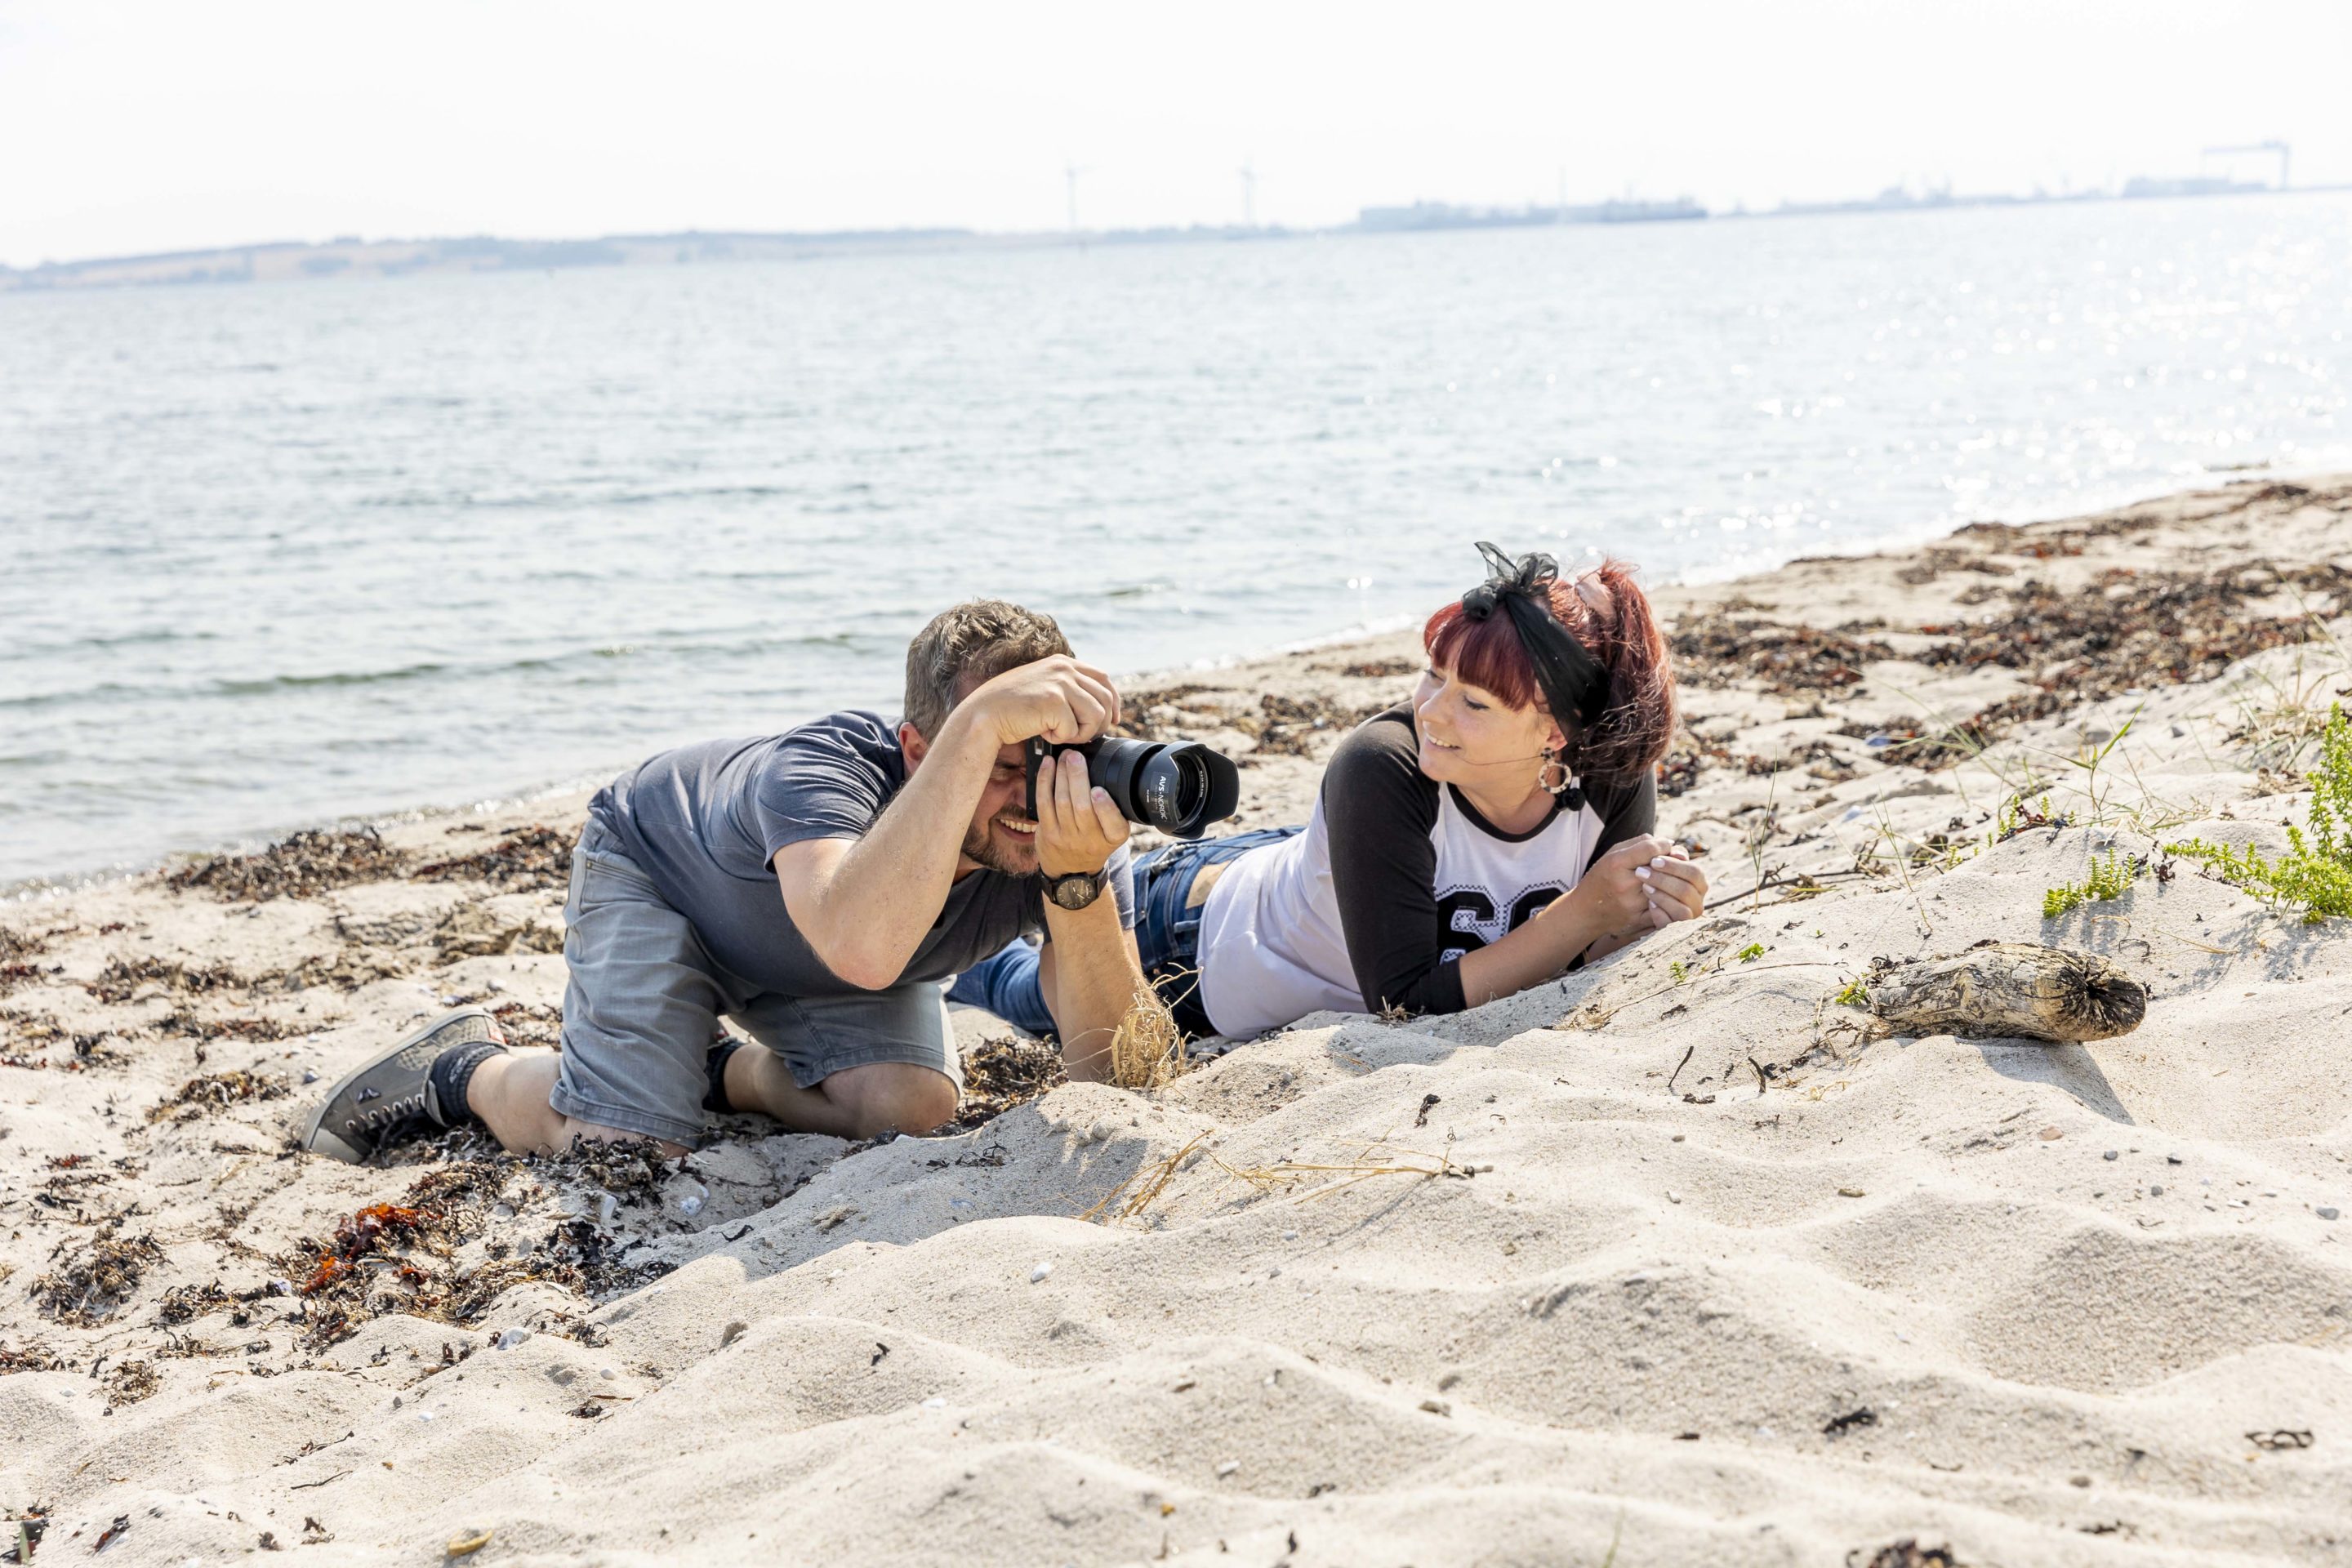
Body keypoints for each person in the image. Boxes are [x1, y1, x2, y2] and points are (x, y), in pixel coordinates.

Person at [302, 599, 1147, 1162]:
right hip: (661, 873)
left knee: (911, 1106)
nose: (1033, 790)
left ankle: (711, 1070)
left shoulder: (1048, 824)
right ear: (923, 752)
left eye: (1049, 754)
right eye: (1002, 760)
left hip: (807, 947)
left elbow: (1123, 1076)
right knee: (622, 1144)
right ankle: (461, 1068)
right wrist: (982, 725)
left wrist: (1075, 880)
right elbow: (860, 945)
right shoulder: (822, 771)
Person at [951, 544, 1704, 1041]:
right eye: (1434, 675)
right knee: (1021, 986)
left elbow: (1587, 950)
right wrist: (1591, 911)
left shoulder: (1611, 774)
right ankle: (956, 956)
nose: (1431, 711)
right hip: (1194, 941)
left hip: (1318, 870)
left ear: (1558, 733)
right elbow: (1406, 1002)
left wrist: (1651, 908)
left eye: (1474, 703)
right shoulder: (1385, 765)